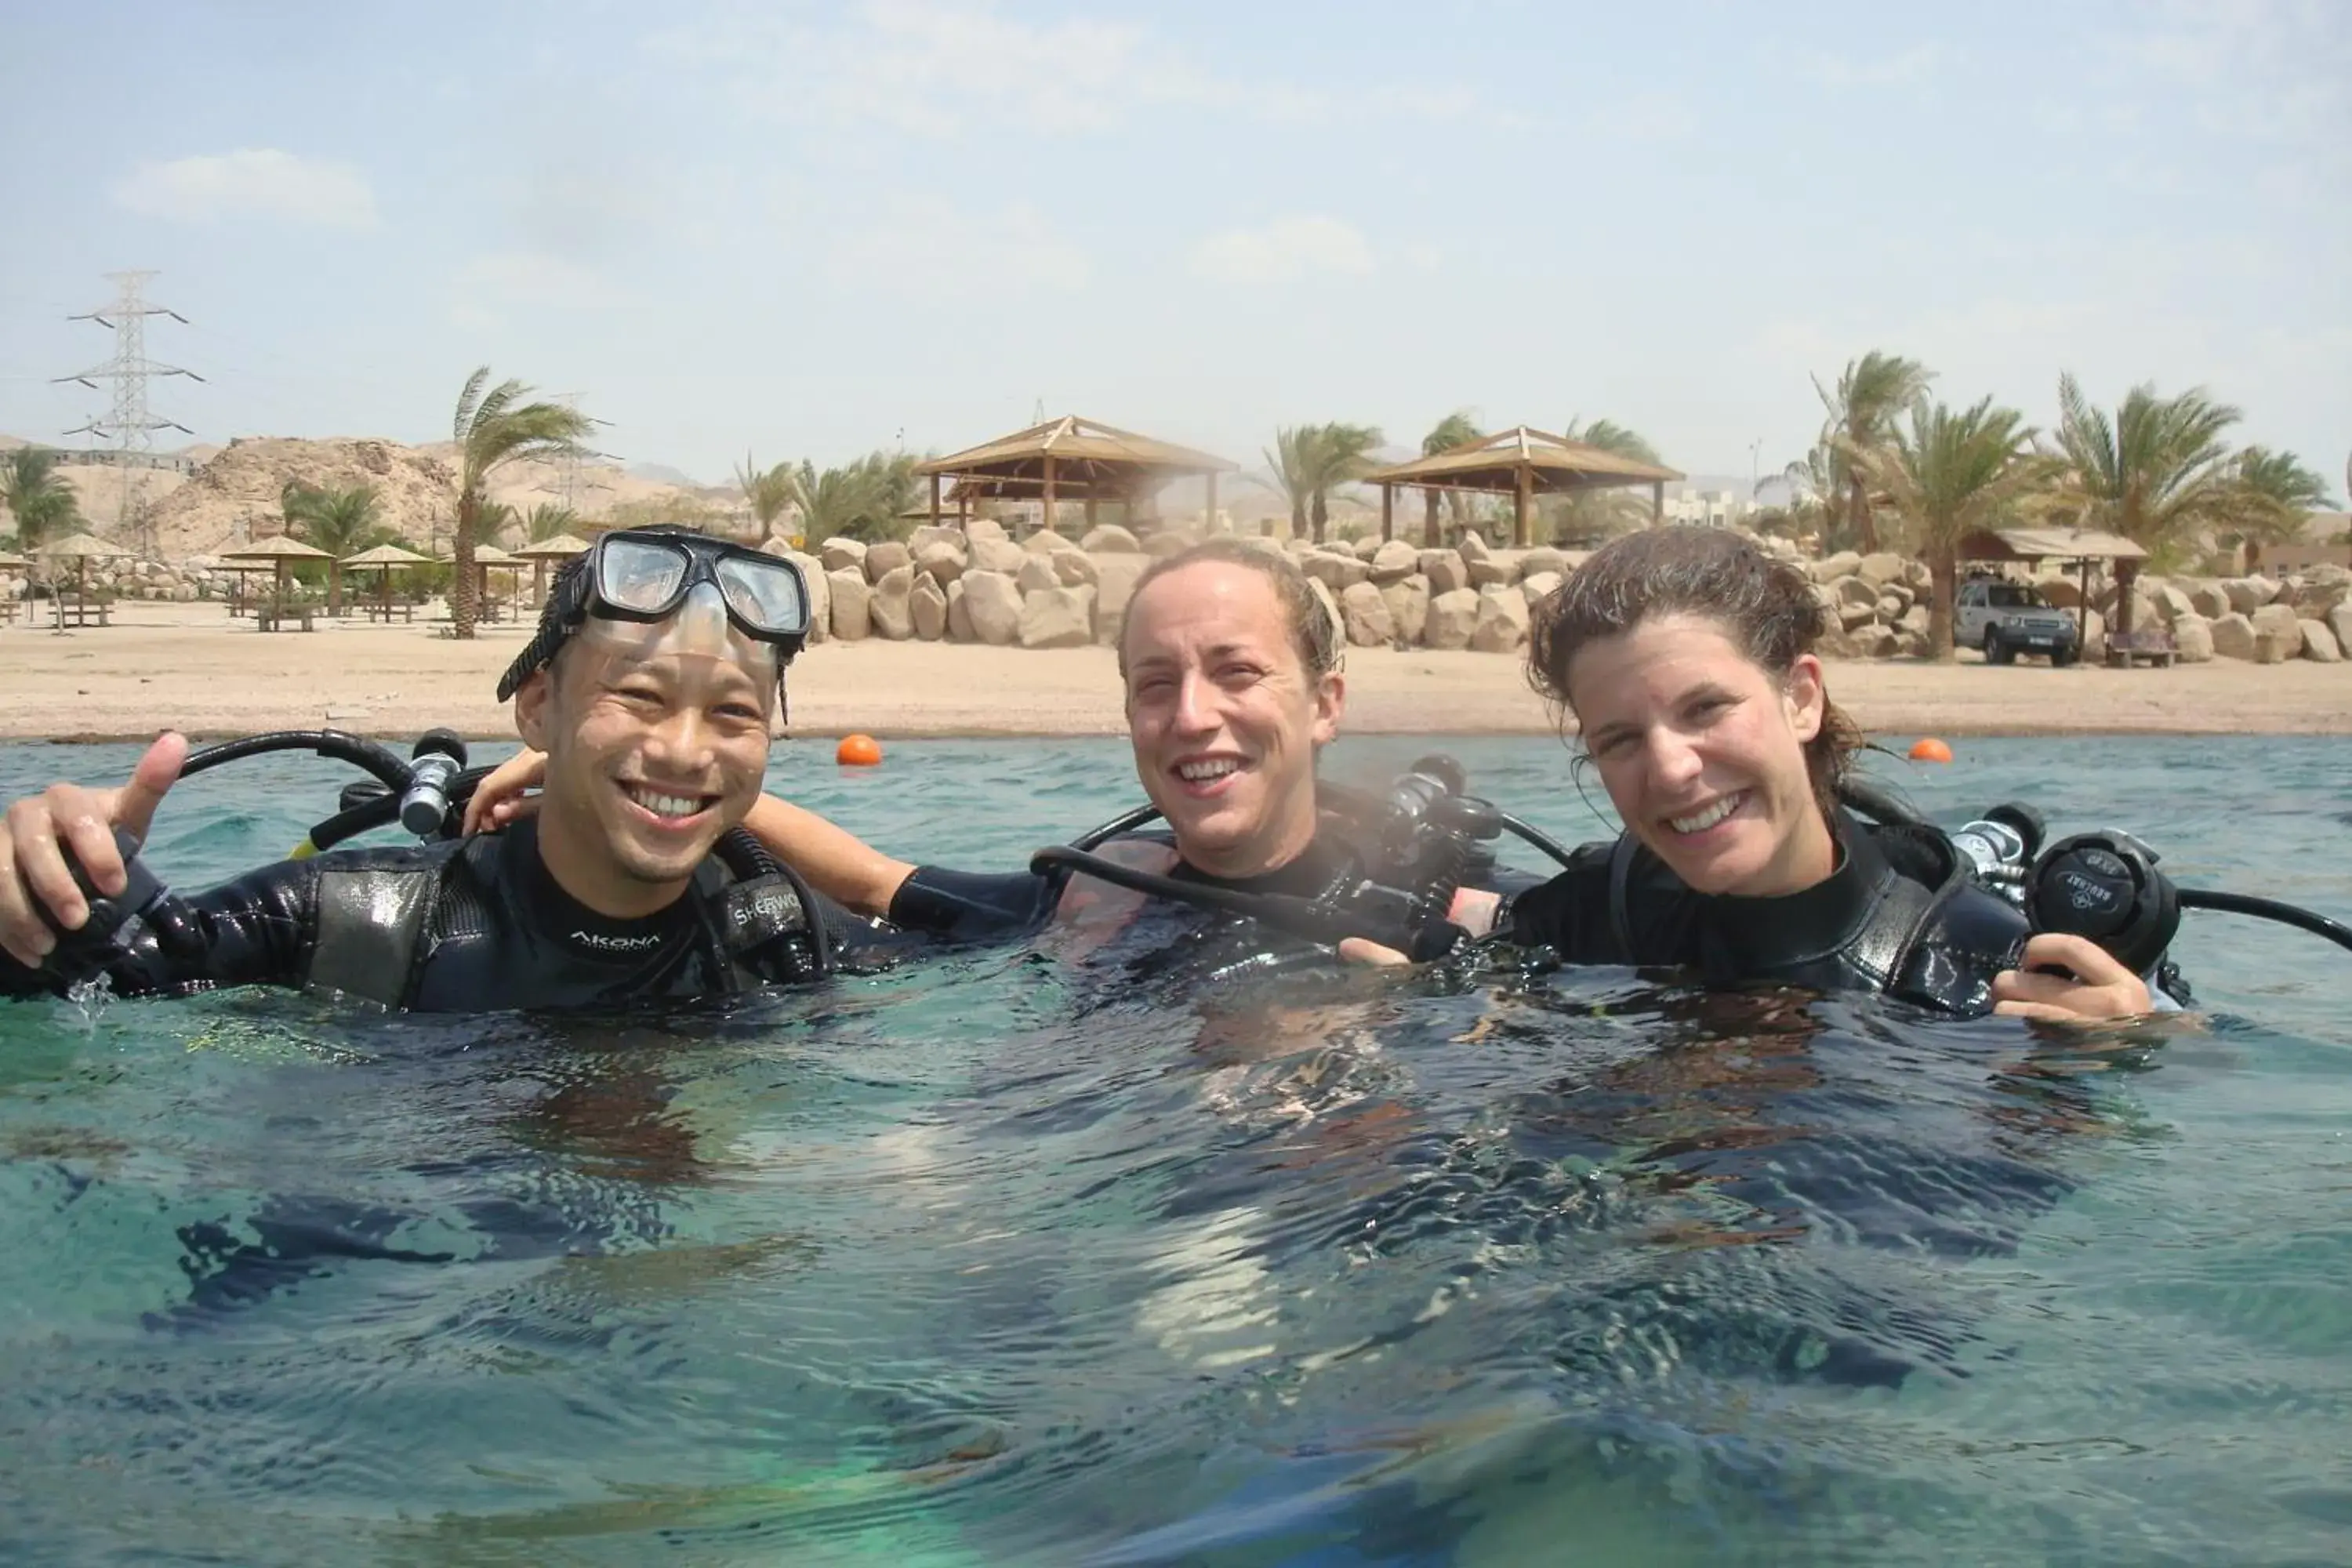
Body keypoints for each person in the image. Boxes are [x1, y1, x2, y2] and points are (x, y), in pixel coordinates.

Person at [471, 537, 1504, 964]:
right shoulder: (1095, 900)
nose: (1192, 716)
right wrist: (628, 780)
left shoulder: (1448, 919)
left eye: (1237, 673)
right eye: (1156, 684)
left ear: (1325, 704)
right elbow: (879, 884)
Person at [0, 527, 887, 1012]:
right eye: (643, 697)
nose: (688, 750)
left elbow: (1022, 921)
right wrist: (47, 888)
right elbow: (101, 980)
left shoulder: (780, 937)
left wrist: (744, 815)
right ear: (539, 707)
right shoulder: (354, 923)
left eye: (733, 713)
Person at [1347, 525, 2156, 1022]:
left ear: (1801, 698)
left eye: (1706, 709)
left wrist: (2135, 1046)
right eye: (1621, 738)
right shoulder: (1597, 922)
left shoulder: (1977, 967)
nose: (1669, 767)